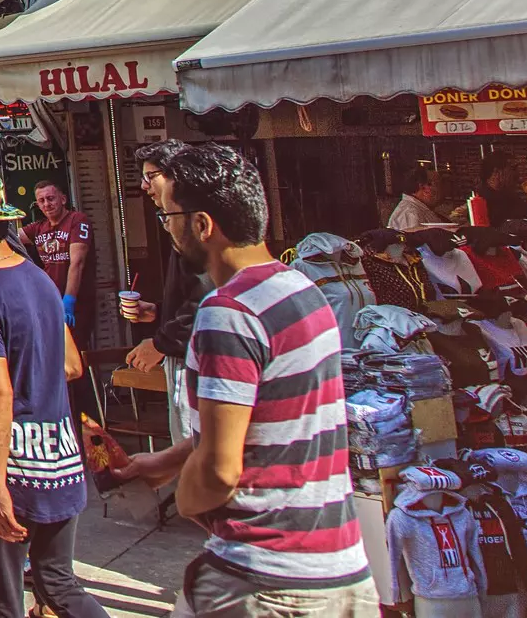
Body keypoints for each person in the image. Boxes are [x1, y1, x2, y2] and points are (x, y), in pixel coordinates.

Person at [112, 142, 372, 618]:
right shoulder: (301, 290)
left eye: (169, 216)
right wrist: (169, 460)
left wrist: (187, 491)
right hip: (338, 566)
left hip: (263, 579)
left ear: (202, 224)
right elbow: (269, 420)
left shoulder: (227, 313)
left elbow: (218, 472)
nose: (166, 228)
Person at [0, 164, 102, 618]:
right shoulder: (41, 281)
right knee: (58, 584)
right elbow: (72, 365)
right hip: (62, 456)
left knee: (4, 600)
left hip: (16, 461)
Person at [124, 146, 209, 440]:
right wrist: (158, 311)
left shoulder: (194, 228)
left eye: (151, 176)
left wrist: (160, 343)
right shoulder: (179, 227)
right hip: (184, 355)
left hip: (197, 358)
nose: (144, 186)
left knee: (194, 444)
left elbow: (206, 302)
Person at [22, 182, 92, 333]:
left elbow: (77, 263)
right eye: (41, 201)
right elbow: (7, 238)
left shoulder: (77, 220)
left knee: (75, 351)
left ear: (63, 199)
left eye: (51, 198)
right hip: (49, 303)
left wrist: (69, 301)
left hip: (75, 305)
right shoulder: (39, 227)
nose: (46, 204)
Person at [473, 157, 527, 225]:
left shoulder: (509, 195)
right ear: (497, 172)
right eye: (512, 169)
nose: (515, 174)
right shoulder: (483, 200)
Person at [384, 166, 446, 231]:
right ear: (424, 188)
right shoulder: (410, 214)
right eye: (439, 184)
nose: (444, 190)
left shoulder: (419, 210)